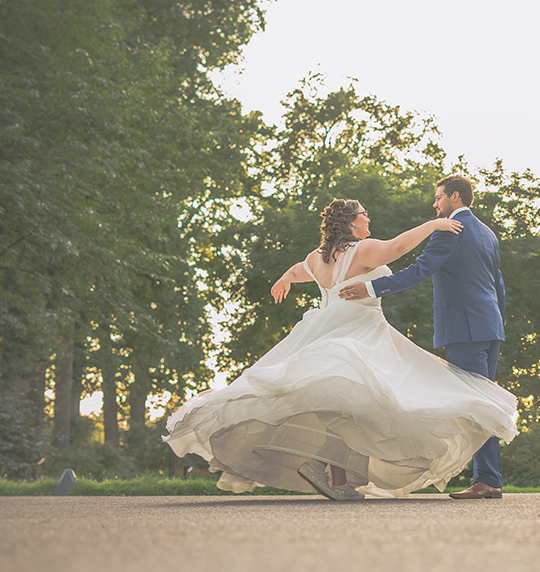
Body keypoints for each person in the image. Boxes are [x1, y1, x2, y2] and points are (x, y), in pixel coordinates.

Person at [163, 198, 519, 500]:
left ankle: (336, 476)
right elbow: (396, 248)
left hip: (326, 328)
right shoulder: (361, 249)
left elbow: (297, 270)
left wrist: (284, 279)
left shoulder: (318, 257)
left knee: (337, 401)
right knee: (374, 399)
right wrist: (434, 224)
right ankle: (336, 474)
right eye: (364, 214)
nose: (369, 218)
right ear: (351, 222)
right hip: (360, 329)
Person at [339, 175, 509, 500]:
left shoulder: (451, 230)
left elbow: (419, 269)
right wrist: (498, 319)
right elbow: (497, 282)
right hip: (490, 326)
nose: (435, 205)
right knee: (482, 401)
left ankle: (486, 479)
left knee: (477, 404)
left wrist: (371, 287)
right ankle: (487, 478)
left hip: (464, 326)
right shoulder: (487, 233)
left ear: (455, 197)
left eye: (439, 198)